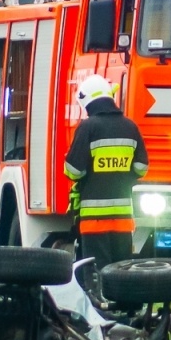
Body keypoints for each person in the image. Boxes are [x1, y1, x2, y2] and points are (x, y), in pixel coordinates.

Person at [63, 74, 148, 272]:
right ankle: (124, 303)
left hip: (94, 220)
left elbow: (73, 171)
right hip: (123, 218)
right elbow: (141, 168)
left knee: (96, 273)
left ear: (88, 102)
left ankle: (98, 304)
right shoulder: (130, 126)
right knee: (122, 272)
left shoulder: (88, 127)